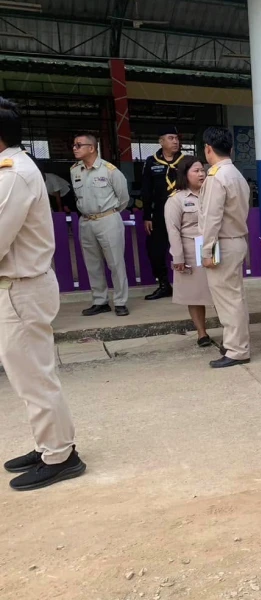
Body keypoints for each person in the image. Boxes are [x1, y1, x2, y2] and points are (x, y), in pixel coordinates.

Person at [0, 97, 86, 491]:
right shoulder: (13, 170)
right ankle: (50, 445)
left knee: (33, 377)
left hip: (22, 287)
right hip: (21, 286)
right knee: (30, 375)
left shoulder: (13, 175)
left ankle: (60, 456)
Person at [198, 127, 251, 368]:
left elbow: (211, 217)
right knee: (235, 297)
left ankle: (236, 349)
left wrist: (206, 251)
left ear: (208, 149)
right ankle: (237, 344)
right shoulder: (236, 174)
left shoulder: (216, 176)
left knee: (228, 300)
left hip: (222, 243)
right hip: (235, 240)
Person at [70, 132, 131, 317]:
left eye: (78, 145)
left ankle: (120, 302)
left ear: (91, 148)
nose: (74, 148)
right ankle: (100, 301)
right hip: (86, 221)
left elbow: (123, 198)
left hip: (107, 219)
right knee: (92, 264)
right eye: (74, 145)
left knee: (115, 263)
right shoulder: (75, 170)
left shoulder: (110, 170)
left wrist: (109, 214)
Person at [164, 156, 214, 348]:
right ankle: (202, 333)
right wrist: (178, 257)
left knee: (220, 291)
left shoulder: (212, 194)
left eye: (203, 170)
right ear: (185, 174)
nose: (201, 174)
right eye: (196, 171)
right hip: (191, 250)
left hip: (213, 248)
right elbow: (173, 230)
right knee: (195, 294)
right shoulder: (176, 200)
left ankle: (230, 332)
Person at [142, 126, 185, 300]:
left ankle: (188, 285)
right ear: (161, 141)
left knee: (186, 248)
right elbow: (146, 190)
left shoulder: (185, 161)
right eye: (170, 138)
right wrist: (147, 216)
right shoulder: (151, 162)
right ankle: (164, 284)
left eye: (176, 138)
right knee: (156, 250)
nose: (175, 141)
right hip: (159, 214)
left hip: (183, 212)